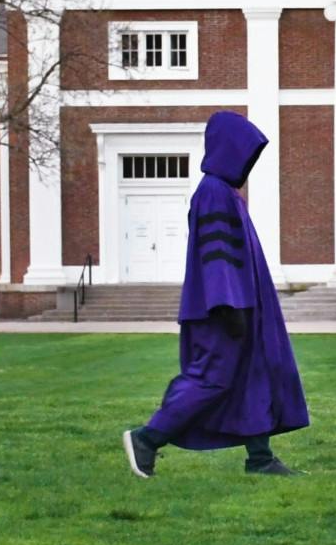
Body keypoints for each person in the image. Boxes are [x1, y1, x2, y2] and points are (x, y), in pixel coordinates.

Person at [123, 112, 307, 478]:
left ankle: (260, 458)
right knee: (211, 379)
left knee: (253, 377)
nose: (248, 165)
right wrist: (227, 304)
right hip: (221, 311)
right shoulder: (212, 194)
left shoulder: (226, 194)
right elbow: (216, 257)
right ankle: (147, 437)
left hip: (243, 307)